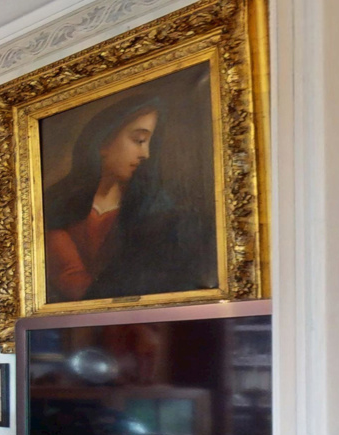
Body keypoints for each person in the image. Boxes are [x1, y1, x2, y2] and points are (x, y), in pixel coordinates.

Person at [43, 93, 215, 303]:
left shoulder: (155, 206)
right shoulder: (57, 204)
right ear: (103, 142)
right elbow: (72, 282)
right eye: (139, 140)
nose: (146, 154)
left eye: (149, 143)